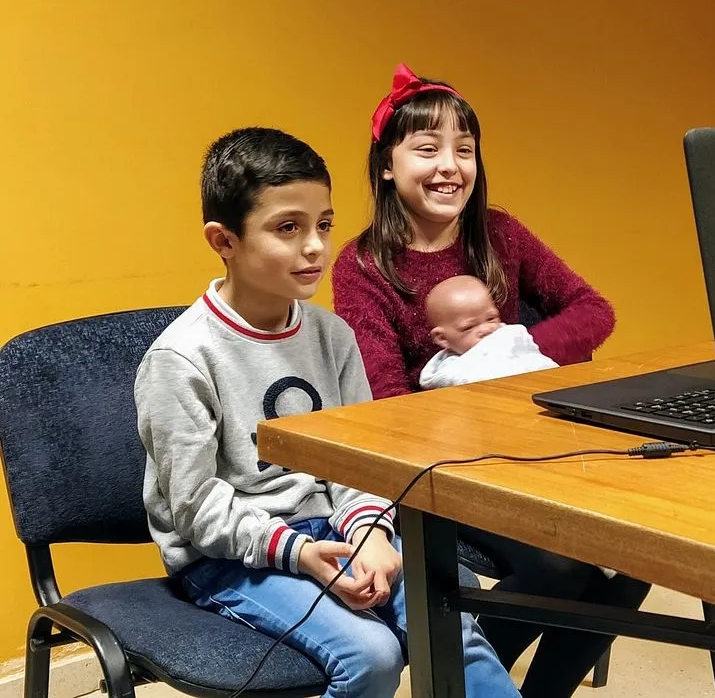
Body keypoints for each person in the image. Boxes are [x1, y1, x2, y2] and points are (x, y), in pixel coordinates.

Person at [134, 127, 520, 698]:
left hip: (338, 530)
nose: (315, 246)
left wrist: (369, 532)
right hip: (231, 552)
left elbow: (358, 461)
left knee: (452, 629)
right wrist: (300, 553)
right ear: (224, 240)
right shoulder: (181, 358)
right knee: (370, 655)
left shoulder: (332, 336)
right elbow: (194, 507)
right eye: (288, 228)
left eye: (323, 225)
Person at [332, 64, 651, 698]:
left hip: (535, 451)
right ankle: (456, 682)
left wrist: (515, 350)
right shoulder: (363, 265)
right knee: (564, 566)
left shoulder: (499, 233)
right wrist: (472, 394)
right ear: (387, 166)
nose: (449, 165)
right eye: (427, 149)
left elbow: (595, 311)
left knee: (638, 558)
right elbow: (388, 405)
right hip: (444, 469)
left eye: (464, 150)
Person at [419, 274, 557, 389]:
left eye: (491, 318)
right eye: (469, 327)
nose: (486, 329)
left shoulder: (510, 335)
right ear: (442, 338)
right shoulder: (447, 369)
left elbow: (532, 357)